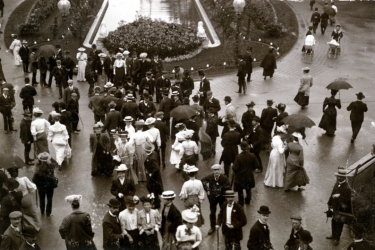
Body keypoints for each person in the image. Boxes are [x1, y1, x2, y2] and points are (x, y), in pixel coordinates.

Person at [8, 167, 41, 232]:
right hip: (26, 197)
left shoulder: (10, 182)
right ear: (17, 172)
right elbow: (33, 187)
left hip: (17, 199)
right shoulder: (24, 179)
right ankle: (37, 226)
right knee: (33, 212)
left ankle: (27, 226)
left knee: (24, 214)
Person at [326, 167, 353, 246]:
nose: (339, 178)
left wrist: (339, 196)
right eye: (338, 176)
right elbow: (332, 193)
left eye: (341, 177)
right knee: (333, 221)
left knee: (339, 224)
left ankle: (337, 239)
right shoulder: (337, 183)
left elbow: (348, 200)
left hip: (341, 209)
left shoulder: (347, 188)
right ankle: (333, 235)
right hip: (335, 207)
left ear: (345, 177)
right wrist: (329, 203)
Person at [201, 164, 230, 234]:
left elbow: (228, 187)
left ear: (220, 170)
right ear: (213, 171)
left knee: (223, 212)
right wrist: (207, 189)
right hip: (213, 198)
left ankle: (224, 227)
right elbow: (202, 181)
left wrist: (224, 191)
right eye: (215, 170)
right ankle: (212, 227)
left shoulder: (224, 178)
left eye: (218, 170)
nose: (216, 172)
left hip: (222, 198)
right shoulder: (210, 177)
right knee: (212, 213)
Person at [233, 141, 259, 206]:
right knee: (248, 189)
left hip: (240, 177)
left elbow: (235, 168)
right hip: (249, 175)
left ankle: (241, 202)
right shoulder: (252, 155)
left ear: (241, 148)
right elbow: (257, 165)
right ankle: (248, 200)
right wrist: (251, 169)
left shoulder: (238, 157)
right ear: (247, 147)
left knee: (240, 190)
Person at [32, 152, 57, 216]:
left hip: (41, 187)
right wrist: (50, 158)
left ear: (41, 159)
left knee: (41, 199)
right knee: (49, 199)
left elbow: (34, 180)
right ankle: (48, 212)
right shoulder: (51, 166)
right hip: (50, 186)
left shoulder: (38, 168)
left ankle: (42, 211)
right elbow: (56, 163)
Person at [143, 142, 164, 209]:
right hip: (155, 176)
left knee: (152, 189)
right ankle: (156, 201)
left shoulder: (151, 159)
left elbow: (156, 168)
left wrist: (151, 174)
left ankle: (157, 203)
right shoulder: (154, 153)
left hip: (153, 177)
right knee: (154, 189)